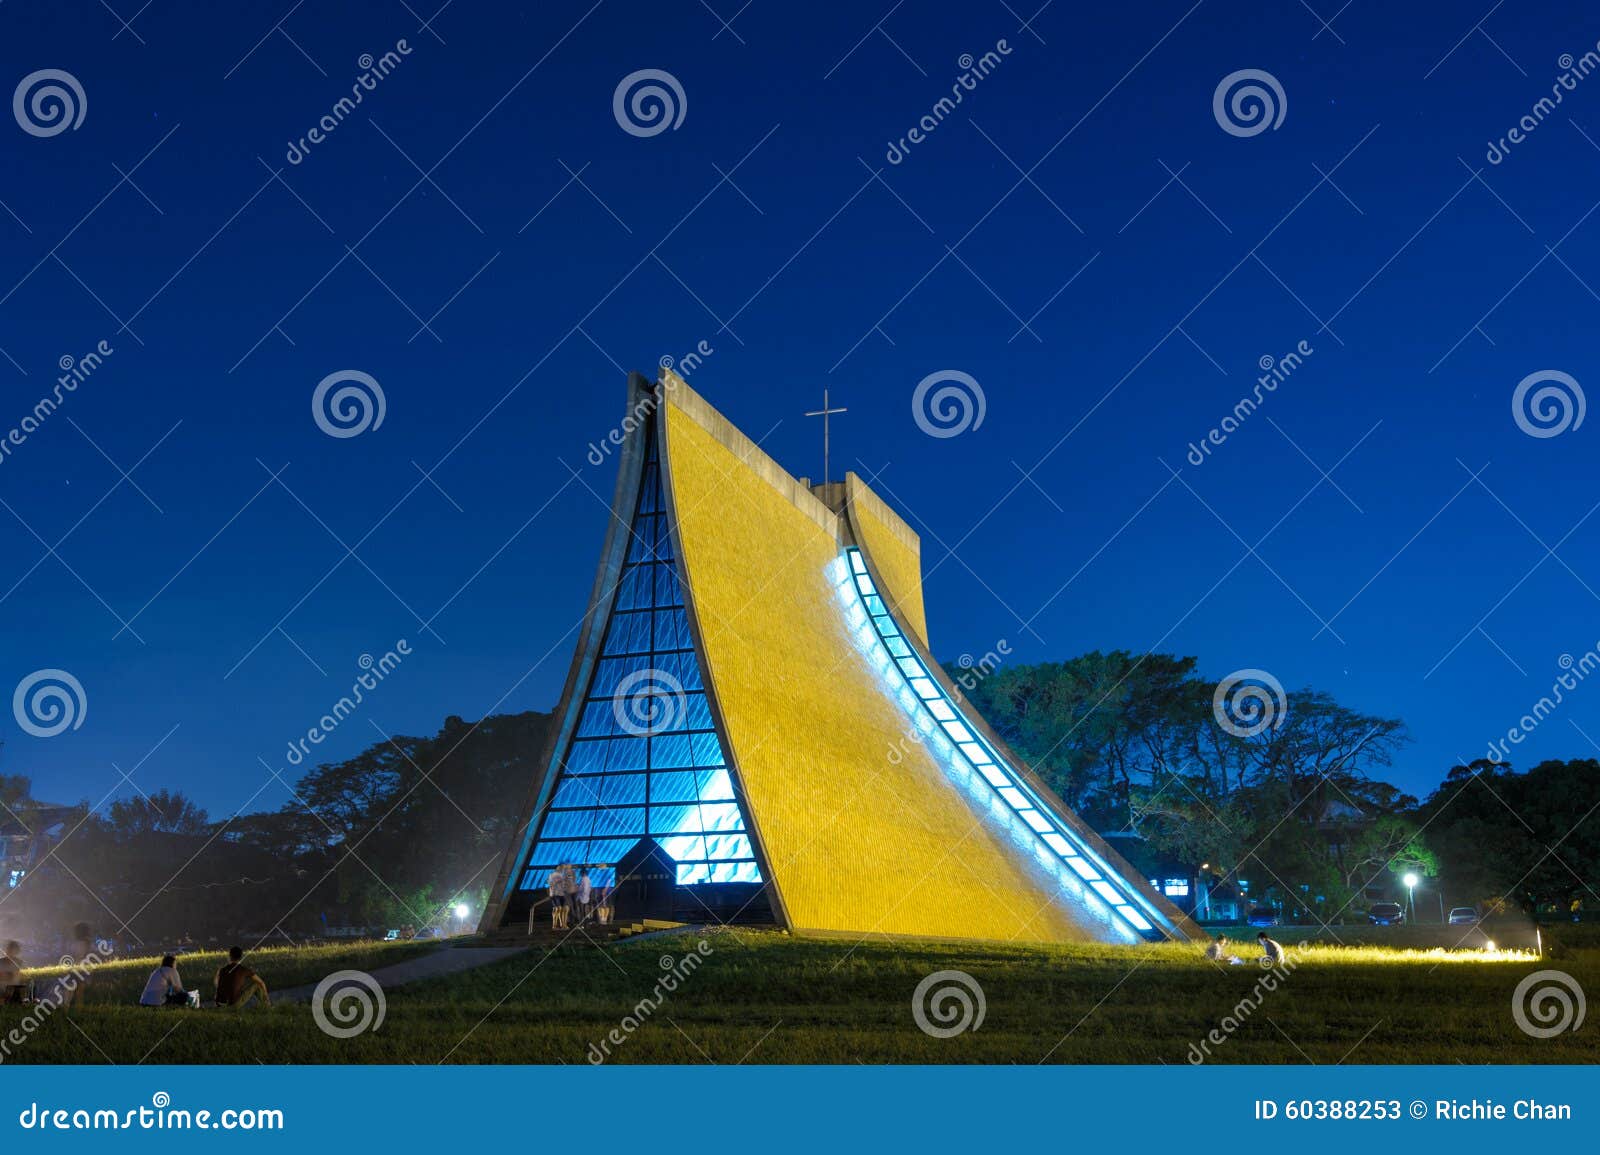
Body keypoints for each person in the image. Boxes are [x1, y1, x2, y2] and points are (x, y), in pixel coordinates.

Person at [62, 922, 93, 1007]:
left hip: (76, 969)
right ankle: (75, 1009)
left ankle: (68, 1008)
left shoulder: (81, 943)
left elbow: (77, 955)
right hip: (79, 970)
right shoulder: (86, 943)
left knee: (72, 991)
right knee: (78, 992)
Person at [548, 864, 570, 930]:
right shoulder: (552, 875)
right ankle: (554, 926)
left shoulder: (563, 875)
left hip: (562, 894)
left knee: (565, 909)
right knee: (557, 909)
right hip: (555, 894)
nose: (563, 869)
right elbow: (550, 884)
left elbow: (565, 885)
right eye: (562, 868)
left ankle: (563, 925)